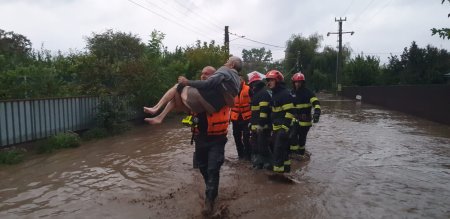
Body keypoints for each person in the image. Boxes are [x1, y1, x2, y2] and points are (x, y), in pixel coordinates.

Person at [143, 56, 242, 124]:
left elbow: (208, 84)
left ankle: (156, 108)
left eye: (227, 61)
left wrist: (187, 82)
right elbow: (180, 107)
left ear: (232, 65)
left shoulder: (225, 70)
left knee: (179, 85)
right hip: (204, 126)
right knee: (177, 89)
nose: (225, 63)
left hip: (207, 111)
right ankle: (159, 116)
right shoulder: (237, 81)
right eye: (202, 73)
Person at [192, 104, 231, 215]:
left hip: (218, 139)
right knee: (203, 167)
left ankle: (209, 201)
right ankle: (212, 190)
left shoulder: (221, 94)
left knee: (213, 169)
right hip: (200, 139)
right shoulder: (194, 96)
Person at [182, 66, 216, 169]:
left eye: (207, 73)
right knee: (199, 161)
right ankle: (197, 173)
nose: (203, 75)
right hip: (199, 132)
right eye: (202, 73)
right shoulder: (193, 90)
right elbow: (187, 110)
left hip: (214, 133)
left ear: (214, 76)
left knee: (212, 160)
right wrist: (189, 119)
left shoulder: (217, 91)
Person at [265, 70, 295, 173]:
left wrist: (284, 128)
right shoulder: (275, 93)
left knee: (277, 151)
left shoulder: (284, 94)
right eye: (268, 80)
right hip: (277, 128)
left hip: (284, 128)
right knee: (283, 150)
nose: (269, 82)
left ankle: (277, 174)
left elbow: (290, 112)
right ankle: (286, 168)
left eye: (271, 80)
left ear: (277, 81)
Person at [289, 72, 320, 160]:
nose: (297, 84)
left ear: (303, 83)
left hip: (305, 121)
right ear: (293, 83)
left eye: (299, 82)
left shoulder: (308, 93)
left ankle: (301, 153)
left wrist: (317, 113)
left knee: (302, 139)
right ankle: (293, 154)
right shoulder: (291, 92)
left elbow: (316, 103)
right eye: (296, 82)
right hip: (294, 119)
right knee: (292, 136)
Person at [247, 71, 273, 169]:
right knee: (255, 147)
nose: (251, 87)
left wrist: (261, 125)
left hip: (262, 127)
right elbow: (254, 112)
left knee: (263, 147)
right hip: (255, 126)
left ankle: (269, 165)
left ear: (255, 84)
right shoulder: (257, 94)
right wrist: (250, 122)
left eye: (252, 84)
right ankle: (258, 164)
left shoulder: (263, 94)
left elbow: (264, 111)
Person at [230, 75, 252, 160]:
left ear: (242, 80)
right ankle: (240, 155)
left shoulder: (248, 89)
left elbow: (253, 101)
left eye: (239, 79)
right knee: (236, 136)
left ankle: (248, 155)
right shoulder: (231, 90)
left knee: (246, 137)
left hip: (246, 117)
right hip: (235, 117)